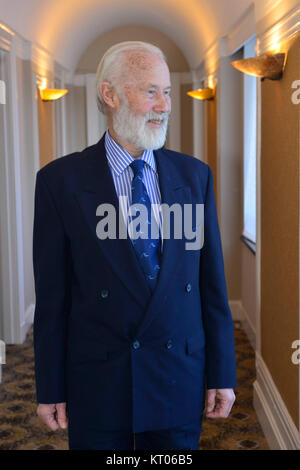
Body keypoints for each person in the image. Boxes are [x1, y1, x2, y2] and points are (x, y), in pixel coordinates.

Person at [33, 41, 236, 450]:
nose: (164, 105)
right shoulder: (60, 182)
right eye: (150, 92)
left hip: (178, 378)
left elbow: (212, 288)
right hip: (100, 383)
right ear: (110, 95)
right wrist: (50, 385)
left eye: (167, 92)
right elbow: (52, 300)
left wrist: (222, 374)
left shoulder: (195, 176)